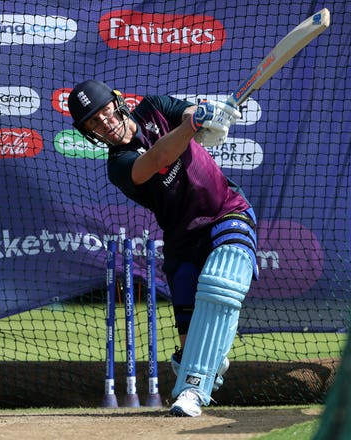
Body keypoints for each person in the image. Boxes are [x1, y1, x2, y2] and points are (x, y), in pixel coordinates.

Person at [67, 80, 258, 417]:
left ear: (118, 103)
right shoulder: (119, 165)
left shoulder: (153, 107)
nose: (104, 124)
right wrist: (193, 125)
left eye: (104, 113)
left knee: (222, 283)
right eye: (93, 123)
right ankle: (197, 361)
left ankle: (194, 389)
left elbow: (184, 112)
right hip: (182, 239)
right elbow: (158, 157)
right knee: (191, 333)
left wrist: (203, 115)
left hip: (226, 209)